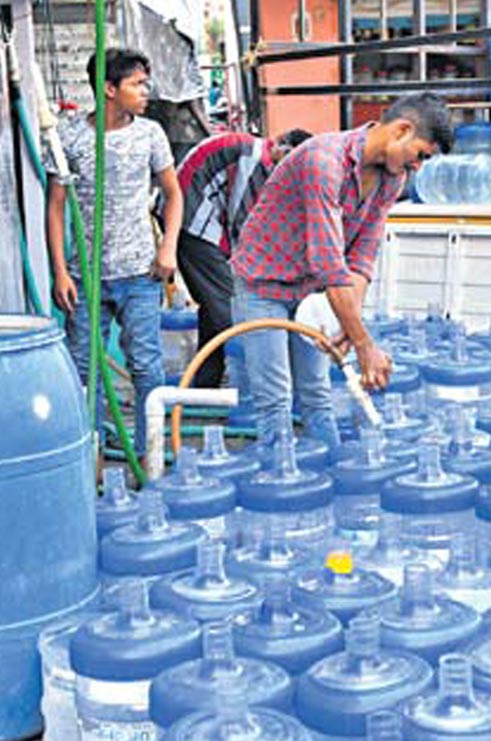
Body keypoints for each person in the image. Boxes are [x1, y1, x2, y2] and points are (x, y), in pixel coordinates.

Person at [232, 93, 454, 449]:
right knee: (274, 398)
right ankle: (281, 486)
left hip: (309, 290)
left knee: (316, 393)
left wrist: (347, 327)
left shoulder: (391, 178)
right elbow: (328, 262)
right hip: (262, 285)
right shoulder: (324, 160)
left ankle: (332, 476)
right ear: (402, 130)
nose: (419, 168)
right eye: (421, 155)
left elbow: (362, 256)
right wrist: (365, 345)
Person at [46, 48, 183, 457]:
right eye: (137, 84)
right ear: (109, 88)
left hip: (141, 273)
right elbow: (55, 207)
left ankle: (150, 455)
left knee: (146, 366)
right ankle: (91, 457)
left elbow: (174, 194)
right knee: (83, 369)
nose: (146, 91)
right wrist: (60, 272)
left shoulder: (150, 134)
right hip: (86, 277)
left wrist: (168, 247)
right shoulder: (70, 136)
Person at [171, 128, 314, 388]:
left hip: (205, 221)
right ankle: (252, 385)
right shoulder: (254, 156)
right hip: (193, 219)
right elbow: (242, 221)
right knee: (228, 308)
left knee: (215, 306)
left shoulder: (263, 160)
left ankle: (205, 384)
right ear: (282, 146)